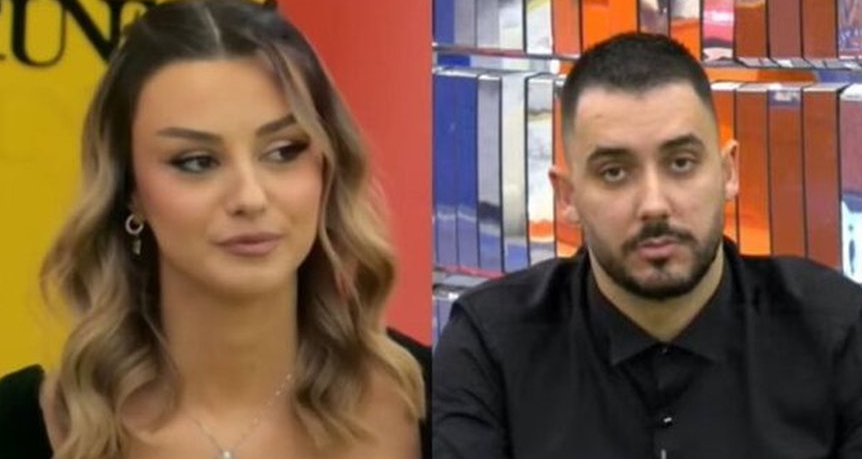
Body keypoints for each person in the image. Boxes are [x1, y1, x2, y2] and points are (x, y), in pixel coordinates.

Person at [0, 1, 428, 458]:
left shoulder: (435, 398)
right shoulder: (20, 425)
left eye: (284, 151)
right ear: (131, 190)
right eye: (197, 162)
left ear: (328, 166)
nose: (250, 197)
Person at [433, 32, 862, 459]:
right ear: (568, 197)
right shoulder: (492, 346)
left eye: (681, 163)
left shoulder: (837, 332)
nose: (654, 205)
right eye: (615, 172)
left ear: (728, 173)